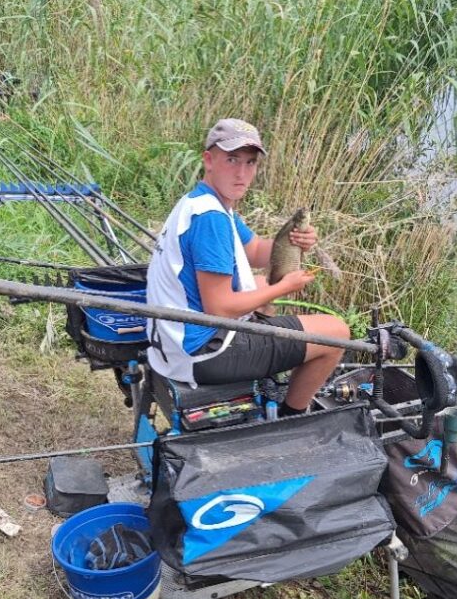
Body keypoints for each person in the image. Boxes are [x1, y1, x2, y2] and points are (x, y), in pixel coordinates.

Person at [145, 118, 352, 416]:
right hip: (201, 351)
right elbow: (219, 308)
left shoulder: (204, 202)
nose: (242, 174)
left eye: (250, 162)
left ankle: (266, 371)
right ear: (209, 160)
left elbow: (255, 250)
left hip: (175, 342)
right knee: (336, 333)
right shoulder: (211, 218)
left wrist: (294, 242)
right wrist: (284, 286)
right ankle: (292, 415)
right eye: (232, 160)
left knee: (259, 284)